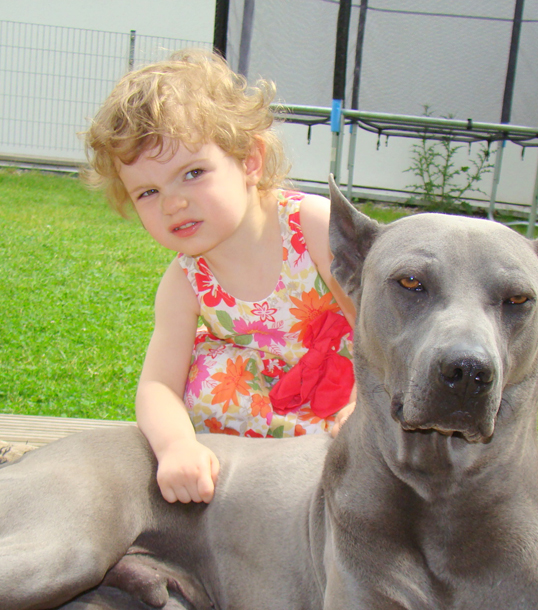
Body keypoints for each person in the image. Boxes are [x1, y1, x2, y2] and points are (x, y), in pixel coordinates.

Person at [83, 49, 356, 505]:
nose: (173, 203)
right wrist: (176, 446)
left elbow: (380, 324)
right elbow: (157, 386)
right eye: (148, 192)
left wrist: (365, 404)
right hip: (239, 455)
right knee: (210, 372)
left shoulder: (312, 227)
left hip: (338, 420)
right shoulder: (185, 282)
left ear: (250, 161)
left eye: (192, 173)